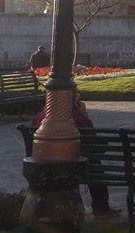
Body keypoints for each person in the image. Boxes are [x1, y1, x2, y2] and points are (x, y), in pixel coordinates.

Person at [30, 91, 121, 219]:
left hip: (43, 166)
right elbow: (95, 142)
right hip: (73, 166)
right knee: (95, 165)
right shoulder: (75, 117)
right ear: (71, 100)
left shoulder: (39, 117)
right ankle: (101, 208)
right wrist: (84, 115)